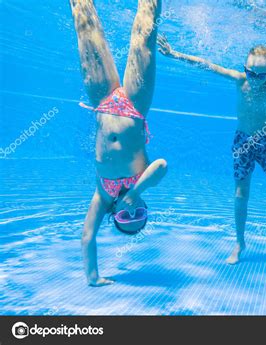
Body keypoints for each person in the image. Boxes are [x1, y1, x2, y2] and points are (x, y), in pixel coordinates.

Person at [157, 36, 266, 264]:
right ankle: (239, 242)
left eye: (262, 74)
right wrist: (174, 53)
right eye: (252, 73)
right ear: (245, 68)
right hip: (242, 142)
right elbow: (206, 65)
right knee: (240, 194)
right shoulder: (239, 80)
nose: (256, 80)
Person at [70, 0, 167, 286]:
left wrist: (93, 278)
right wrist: (136, 192)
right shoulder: (144, 183)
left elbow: (88, 236)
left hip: (102, 100)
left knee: (84, 23)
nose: (133, 209)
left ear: (115, 216)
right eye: (141, 213)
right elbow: (161, 165)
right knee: (144, 33)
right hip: (136, 106)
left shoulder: (103, 197)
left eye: (128, 216)